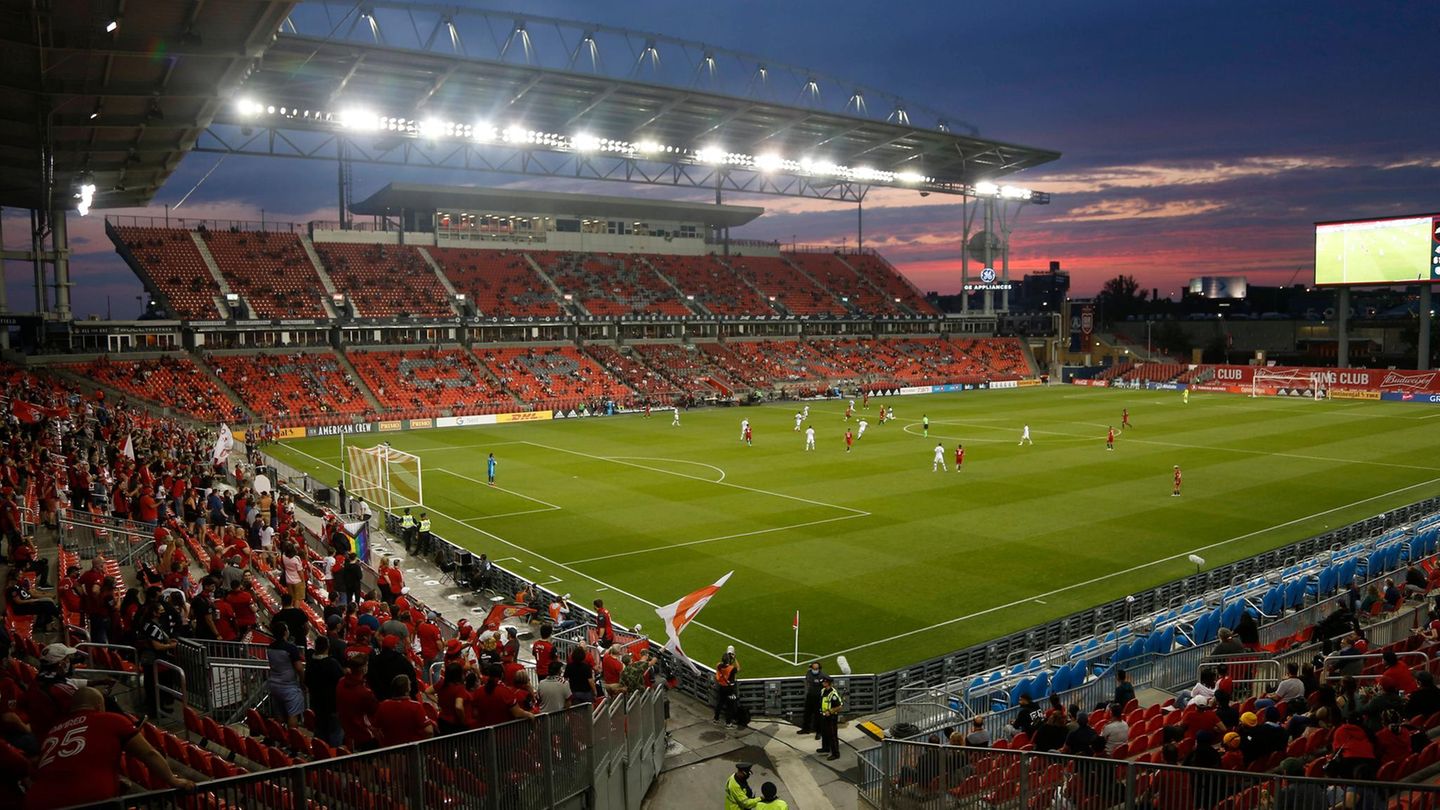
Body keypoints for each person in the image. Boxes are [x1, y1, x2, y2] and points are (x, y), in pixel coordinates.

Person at [23, 687, 193, 809]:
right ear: (99, 705)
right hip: (88, 799)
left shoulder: (54, 731)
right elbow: (149, 753)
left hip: (38, 800)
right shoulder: (111, 720)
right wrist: (173, 780)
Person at [306, 636, 345, 746]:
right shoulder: (331, 663)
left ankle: (321, 755)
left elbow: (307, 681)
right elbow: (342, 680)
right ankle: (333, 758)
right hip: (331, 705)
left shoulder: (311, 663)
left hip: (317, 703)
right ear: (327, 647)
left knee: (320, 732)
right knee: (335, 733)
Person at [266, 622, 306, 729]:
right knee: (293, 714)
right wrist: (303, 682)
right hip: (288, 686)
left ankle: (280, 740)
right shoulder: (291, 648)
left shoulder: (270, 647)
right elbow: (299, 668)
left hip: (274, 684)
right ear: (285, 632)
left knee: (278, 715)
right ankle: (293, 740)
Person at [375, 675, 433, 746]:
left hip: (390, 751)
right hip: (412, 751)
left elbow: (376, 729)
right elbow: (429, 731)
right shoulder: (415, 706)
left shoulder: (382, 705)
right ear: (408, 689)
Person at [817, 676, 843, 760]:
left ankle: (836, 753)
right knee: (824, 733)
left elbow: (839, 707)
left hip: (831, 717)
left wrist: (830, 711)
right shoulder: (823, 691)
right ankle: (826, 748)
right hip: (824, 715)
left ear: (828, 683)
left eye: (824, 682)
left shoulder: (833, 694)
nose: (822, 683)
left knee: (832, 735)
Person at [799, 661, 826, 737]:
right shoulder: (809, 673)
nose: (815, 669)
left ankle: (819, 732)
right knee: (807, 714)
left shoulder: (822, 675)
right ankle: (805, 729)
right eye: (814, 668)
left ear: (819, 668)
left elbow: (828, 682)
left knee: (818, 716)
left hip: (818, 697)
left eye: (816, 668)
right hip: (810, 696)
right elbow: (808, 681)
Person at [715, 651, 739, 727]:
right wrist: (735, 659)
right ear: (729, 660)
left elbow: (722, 666)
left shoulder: (718, 665)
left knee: (720, 703)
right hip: (729, 689)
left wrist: (727, 659)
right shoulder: (732, 668)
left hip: (722, 687)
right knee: (729, 706)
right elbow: (738, 668)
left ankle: (716, 719)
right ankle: (728, 723)